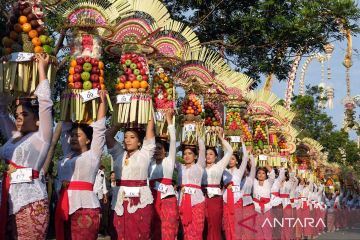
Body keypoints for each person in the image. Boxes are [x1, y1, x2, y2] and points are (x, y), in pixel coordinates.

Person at [0, 53, 53, 239]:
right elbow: (1, 111)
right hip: (7, 200)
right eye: (18, 114)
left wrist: (41, 70)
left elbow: (45, 104)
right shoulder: (14, 136)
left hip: (31, 202)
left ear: (39, 121)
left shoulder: (41, 137)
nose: (19, 117)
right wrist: (6, 74)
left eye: (25, 114)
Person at [55, 90, 107, 240]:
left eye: (77, 135)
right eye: (71, 136)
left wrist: (102, 102)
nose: (72, 138)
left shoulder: (92, 155)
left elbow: (99, 129)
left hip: (85, 206)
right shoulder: (67, 154)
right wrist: (68, 100)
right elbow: (65, 126)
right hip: (64, 204)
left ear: (88, 140)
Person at [106, 113, 155, 240]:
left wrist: (148, 106)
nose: (127, 140)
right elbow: (108, 135)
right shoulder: (118, 153)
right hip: (119, 201)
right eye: (126, 137)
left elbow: (150, 128)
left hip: (139, 203)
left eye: (132, 137)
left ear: (140, 142)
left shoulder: (145, 153)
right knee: (118, 234)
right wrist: (121, 121)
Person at [148, 110, 178, 240]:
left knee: (168, 230)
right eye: (155, 149)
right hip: (153, 199)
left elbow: (173, 141)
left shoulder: (169, 161)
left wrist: (169, 121)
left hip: (167, 199)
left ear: (166, 151)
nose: (157, 151)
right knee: (154, 229)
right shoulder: (150, 164)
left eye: (160, 148)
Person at [201, 128, 232, 240]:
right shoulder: (199, 167)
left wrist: (220, 138)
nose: (208, 156)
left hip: (215, 199)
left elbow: (230, 151)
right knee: (202, 226)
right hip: (201, 198)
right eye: (206, 154)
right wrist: (202, 134)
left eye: (211, 154)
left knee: (214, 226)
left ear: (215, 156)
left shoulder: (219, 166)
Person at [223, 143, 255, 240]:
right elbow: (223, 155)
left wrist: (243, 144)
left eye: (233, 159)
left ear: (237, 161)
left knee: (237, 226)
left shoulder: (239, 171)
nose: (230, 160)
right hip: (225, 201)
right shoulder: (224, 171)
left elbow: (245, 157)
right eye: (229, 158)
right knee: (227, 226)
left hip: (236, 200)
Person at [177, 137, 206, 240]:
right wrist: (179, 147)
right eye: (184, 153)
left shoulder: (199, 165)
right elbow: (171, 156)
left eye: (190, 153)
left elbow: (202, 149)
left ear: (195, 156)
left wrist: (196, 133)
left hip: (197, 202)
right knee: (186, 231)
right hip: (183, 201)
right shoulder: (180, 167)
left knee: (197, 231)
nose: (186, 156)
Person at [253, 164, 275, 240]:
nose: (261, 175)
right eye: (259, 173)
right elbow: (251, 171)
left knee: (266, 227)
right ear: (256, 175)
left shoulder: (269, 182)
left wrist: (265, 163)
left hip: (267, 208)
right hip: (256, 208)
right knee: (257, 227)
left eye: (263, 173)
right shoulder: (254, 182)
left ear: (266, 175)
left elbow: (272, 174)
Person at [94, 165, 109, 236]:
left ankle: (99, 230)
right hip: (91, 195)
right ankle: (93, 229)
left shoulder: (102, 173)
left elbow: (104, 185)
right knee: (93, 212)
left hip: (100, 196)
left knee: (100, 214)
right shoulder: (91, 170)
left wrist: (105, 196)